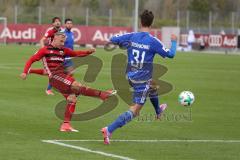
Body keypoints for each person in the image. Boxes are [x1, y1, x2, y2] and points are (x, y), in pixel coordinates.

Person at [101, 10, 177, 144]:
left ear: (140, 22)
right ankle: (109, 129)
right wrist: (174, 41)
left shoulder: (131, 36)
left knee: (153, 85)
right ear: (151, 23)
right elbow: (171, 54)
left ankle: (158, 111)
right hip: (141, 80)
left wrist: (122, 43)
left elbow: (113, 39)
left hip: (130, 76)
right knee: (135, 111)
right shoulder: (153, 41)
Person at [20, 31, 116, 132]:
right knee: (76, 85)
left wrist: (88, 52)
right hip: (55, 77)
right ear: (55, 38)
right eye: (61, 41)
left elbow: (76, 53)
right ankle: (102, 95)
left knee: (72, 99)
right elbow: (31, 60)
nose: (62, 43)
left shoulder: (63, 50)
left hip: (62, 77)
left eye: (64, 42)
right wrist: (25, 72)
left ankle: (65, 125)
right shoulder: (45, 50)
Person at [29, 17, 63, 95]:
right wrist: (43, 50)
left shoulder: (61, 31)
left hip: (56, 53)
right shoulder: (51, 31)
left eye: (59, 21)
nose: (58, 23)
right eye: (56, 21)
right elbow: (42, 40)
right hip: (50, 53)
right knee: (54, 71)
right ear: (53, 24)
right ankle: (48, 90)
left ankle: (31, 70)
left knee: (49, 72)